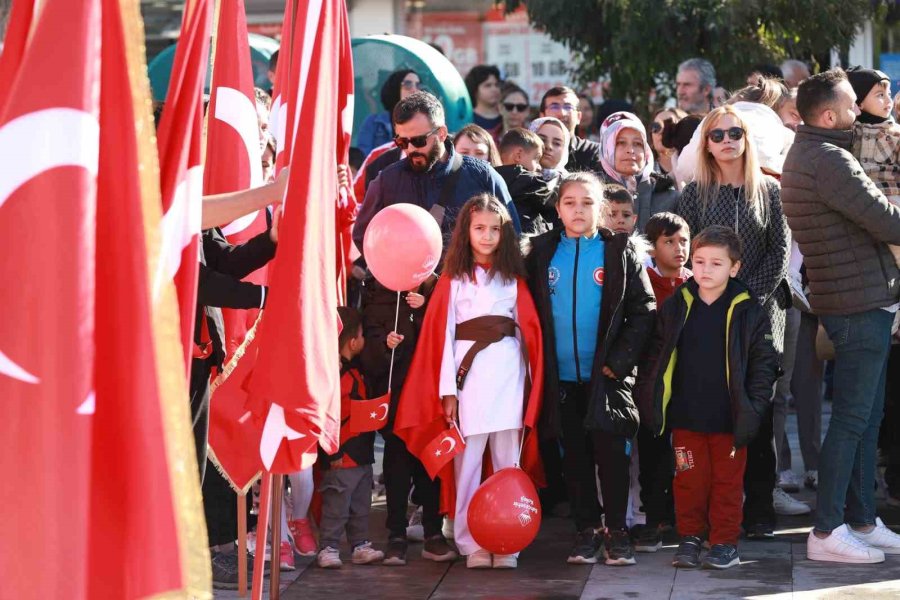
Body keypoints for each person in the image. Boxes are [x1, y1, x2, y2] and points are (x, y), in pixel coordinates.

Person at [782, 68, 900, 563]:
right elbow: (887, 221)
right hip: (858, 303)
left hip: (856, 299)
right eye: (853, 104)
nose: (860, 111)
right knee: (852, 420)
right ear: (828, 115)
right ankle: (827, 530)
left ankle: (862, 519)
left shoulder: (816, 153)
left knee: (865, 418)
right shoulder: (829, 160)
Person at [394, 194, 545, 570]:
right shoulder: (452, 278)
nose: (488, 235)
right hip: (468, 379)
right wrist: (447, 390)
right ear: (466, 232)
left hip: (509, 377)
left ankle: (510, 539)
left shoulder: (513, 277)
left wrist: (530, 386)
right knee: (468, 462)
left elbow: (527, 333)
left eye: (495, 229)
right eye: (480, 228)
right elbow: (440, 336)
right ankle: (469, 541)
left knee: (508, 459)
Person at [674, 105, 797, 536]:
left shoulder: (771, 191)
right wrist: (717, 300)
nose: (727, 141)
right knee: (715, 409)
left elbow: (780, 254)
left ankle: (759, 505)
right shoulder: (694, 193)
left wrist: (746, 300)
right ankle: (714, 511)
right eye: (716, 134)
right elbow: (684, 252)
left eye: (734, 133)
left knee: (758, 409)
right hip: (708, 318)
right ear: (705, 144)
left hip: (762, 313)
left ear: (746, 139)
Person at [524, 172, 656, 566]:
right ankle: (587, 530)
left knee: (612, 456)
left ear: (600, 208)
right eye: (569, 202)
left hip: (607, 378)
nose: (578, 210)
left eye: (586, 203)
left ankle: (617, 531)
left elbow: (643, 312)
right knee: (574, 459)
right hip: (560, 378)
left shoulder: (619, 251)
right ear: (558, 207)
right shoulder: (541, 251)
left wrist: (618, 364)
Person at [637, 226, 779, 570]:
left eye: (716, 263)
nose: (705, 270)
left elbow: (765, 365)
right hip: (686, 418)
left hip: (730, 419)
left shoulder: (749, 310)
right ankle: (689, 537)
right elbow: (657, 355)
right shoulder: (676, 306)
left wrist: (755, 408)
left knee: (727, 484)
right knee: (688, 481)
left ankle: (725, 543)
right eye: (699, 261)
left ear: (734, 268)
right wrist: (652, 397)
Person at [353, 91, 520, 254]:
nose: (410, 149)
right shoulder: (387, 181)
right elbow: (363, 236)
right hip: (406, 282)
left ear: (441, 133)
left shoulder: (483, 176)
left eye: (418, 141)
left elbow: (513, 237)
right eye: (402, 142)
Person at [631, 212, 692, 552]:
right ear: (652, 249)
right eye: (669, 242)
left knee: (685, 456)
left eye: (683, 240)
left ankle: (686, 520)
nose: (678, 248)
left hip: (688, 388)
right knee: (654, 455)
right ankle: (655, 519)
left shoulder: (697, 285)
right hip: (652, 387)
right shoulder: (645, 283)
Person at [315, 306, 385, 569]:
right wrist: (331, 453)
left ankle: (360, 545)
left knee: (361, 506)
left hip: (363, 456)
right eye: (362, 334)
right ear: (354, 341)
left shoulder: (357, 371)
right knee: (336, 506)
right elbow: (326, 416)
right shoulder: (335, 375)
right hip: (341, 456)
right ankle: (329, 547)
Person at [847, 67, 900, 267]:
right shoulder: (850, 130)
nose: (888, 101)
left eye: (888, 94)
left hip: (892, 200)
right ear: (859, 101)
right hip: (861, 201)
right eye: (879, 95)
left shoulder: (895, 132)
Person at [598, 111, 679, 232]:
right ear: (607, 148)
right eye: (621, 143)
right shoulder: (592, 193)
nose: (630, 150)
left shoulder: (669, 196)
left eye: (637, 144)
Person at [496, 128, 558, 234]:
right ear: (518, 155)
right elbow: (552, 199)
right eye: (536, 158)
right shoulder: (531, 182)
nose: (539, 166)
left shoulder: (492, 179)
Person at [356, 69, 423, 157]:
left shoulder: (424, 123)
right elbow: (364, 159)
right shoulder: (374, 123)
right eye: (408, 84)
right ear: (395, 88)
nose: (414, 90)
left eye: (418, 85)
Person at [538, 86, 603, 173]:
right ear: (542, 115)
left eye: (568, 107)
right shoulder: (531, 150)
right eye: (554, 107)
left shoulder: (593, 152)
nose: (562, 113)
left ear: (578, 117)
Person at [465, 65, 504, 143]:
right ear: (475, 90)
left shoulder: (507, 116)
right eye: (488, 85)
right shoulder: (466, 119)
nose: (494, 89)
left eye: (496, 85)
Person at [529, 116, 571, 183]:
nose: (549, 146)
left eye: (557, 143)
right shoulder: (514, 177)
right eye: (542, 140)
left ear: (565, 150)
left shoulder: (570, 184)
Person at [650, 108, 688, 176]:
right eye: (656, 126)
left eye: (669, 126)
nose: (661, 132)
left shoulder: (699, 172)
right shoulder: (642, 174)